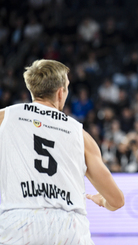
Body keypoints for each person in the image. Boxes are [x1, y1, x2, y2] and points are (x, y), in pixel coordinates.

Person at [0, 59, 124, 244]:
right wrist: (104, 202)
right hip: (70, 227)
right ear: (60, 92)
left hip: (19, 223)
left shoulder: (6, 117)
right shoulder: (82, 135)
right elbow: (117, 200)